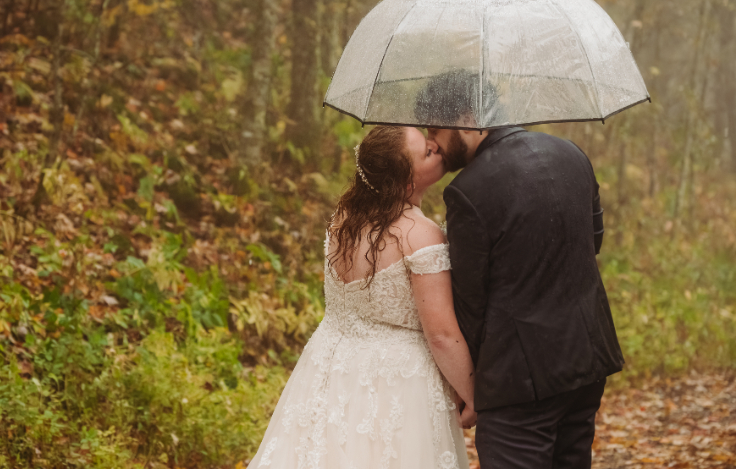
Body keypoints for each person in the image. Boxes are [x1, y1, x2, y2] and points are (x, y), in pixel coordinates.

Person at [417, 70, 625, 469]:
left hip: (518, 382)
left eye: (435, 128)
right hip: (586, 362)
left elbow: (469, 301)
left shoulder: (468, 189)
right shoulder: (571, 153)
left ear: (465, 118)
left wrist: (471, 387)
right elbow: (592, 241)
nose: (433, 142)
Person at [247, 126, 475, 469]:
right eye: (426, 152)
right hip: (398, 384)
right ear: (405, 183)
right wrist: (473, 395)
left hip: (330, 370)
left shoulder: (342, 221)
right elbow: (441, 334)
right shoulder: (419, 234)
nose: (436, 147)